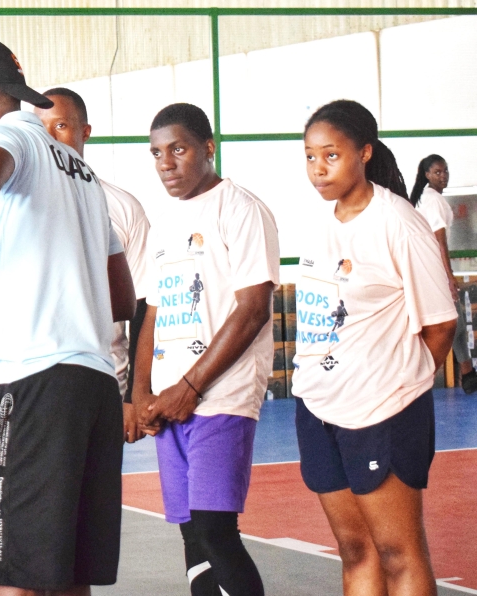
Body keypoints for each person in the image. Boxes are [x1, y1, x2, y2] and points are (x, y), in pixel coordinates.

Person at [0, 36, 137, 596]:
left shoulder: (8, 134)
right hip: (91, 389)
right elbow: (120, 300)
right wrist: (19, 301)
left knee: (5, 578)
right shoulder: (81, 176)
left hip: (31, 385)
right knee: (63, 578)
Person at [295, 100, 455, 596]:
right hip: (318, 407)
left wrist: (396, 382)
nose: (318, 169)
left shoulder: (398, 222)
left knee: (397, 552)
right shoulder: (321, 223)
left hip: (384, 410)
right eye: (309, 157)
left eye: (331, 155)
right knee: (355, 551)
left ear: (364, 152)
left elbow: (441, 324)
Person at [132, 103, 278, 596]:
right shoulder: (165, 221)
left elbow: (253, 308)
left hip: (221, 397)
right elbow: (151, 312)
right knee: (192, 537)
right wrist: (140, 395)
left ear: (208, 148)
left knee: (217, 531)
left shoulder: (241, 210)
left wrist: (189, 387)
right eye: (156, 153)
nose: (166, 163)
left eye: (178, 148)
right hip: (171, 400)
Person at [35, 86, 152, 442]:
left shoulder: (121, 207)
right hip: (34, 381)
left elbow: (142, 305)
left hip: (104, 381)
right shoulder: (17, 200)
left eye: (60, 127)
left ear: (84, 132)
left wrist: (134, 394)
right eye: (40, 129)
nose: (50, 139)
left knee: (96, 494)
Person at [409, 154, 476, 393]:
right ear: (427, 175)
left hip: (423, 270)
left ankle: (469, 375)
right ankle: (422, 376)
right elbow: (440, 241)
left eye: (445, 171)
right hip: (434, 270)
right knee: (452, 323)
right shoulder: (433, 200)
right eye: (437, 172)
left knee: (455, 319)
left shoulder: (422, 198)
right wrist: (449, 276)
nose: (443, 176)